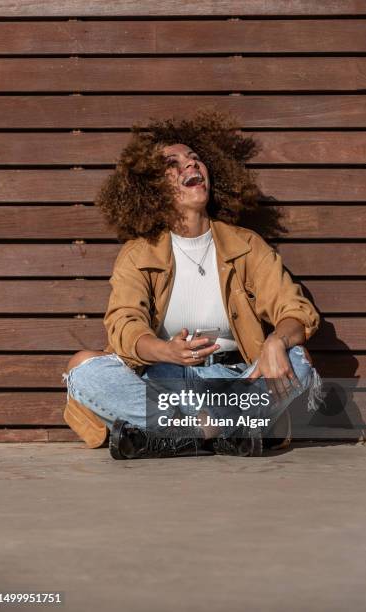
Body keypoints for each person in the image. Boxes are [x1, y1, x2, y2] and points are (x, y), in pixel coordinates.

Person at [62, 110, 324, 459]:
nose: (191, 166)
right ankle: (223, 431)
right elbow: (124, 325)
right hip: (167, 378)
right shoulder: (138, 254)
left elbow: (295, 310)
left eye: (196, 159)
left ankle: (174, 437)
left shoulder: (247, 245)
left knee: (298, 359)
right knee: (83, 368)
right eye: (174, 163)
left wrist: (277, 340)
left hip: (234, 381)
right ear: (152, 187)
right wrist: (165, 351)